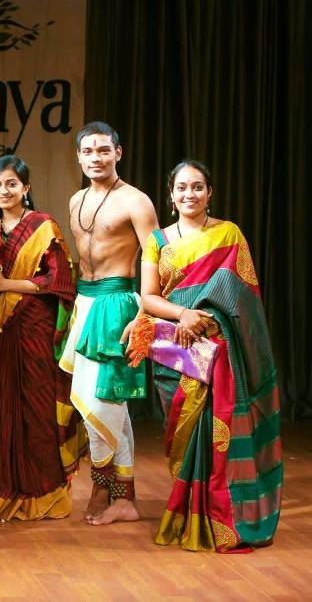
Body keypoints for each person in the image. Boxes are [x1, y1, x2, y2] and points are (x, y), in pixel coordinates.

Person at [126, 160, 281, 552]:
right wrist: (184, 314)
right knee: (182, 437)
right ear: (171, 194)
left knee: (219, 437)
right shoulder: (157, 241)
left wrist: (209, 320)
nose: (189, 194)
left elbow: (243, 293)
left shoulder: (228, 234)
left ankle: (220, 515)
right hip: (176, 352)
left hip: (219, 349)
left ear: (209, 192)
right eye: (181, 187)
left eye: (197, 187)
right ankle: (189, 512)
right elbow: (149, 297)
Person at [59, 122, 158, 526]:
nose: (96, 158)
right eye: (88, 151)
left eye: (103, 150)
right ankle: (125, 495)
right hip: (85, 301)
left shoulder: (136, 201)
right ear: (79, 157)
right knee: (110, 405)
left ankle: (103, 486)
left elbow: (158, 259)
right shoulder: (76, 199)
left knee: (101, 402)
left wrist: (144, 313)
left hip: (117, 302)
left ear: (118, 153)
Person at [0, 156, 81, 522]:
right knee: (6, 406)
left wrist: (6, 284)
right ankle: (8, 484)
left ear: (26, 188)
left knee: (37, 406)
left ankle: (46, 490)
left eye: (12, 184)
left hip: (34, 324)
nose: (4, 191)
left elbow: (58, 280)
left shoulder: (42, 226)